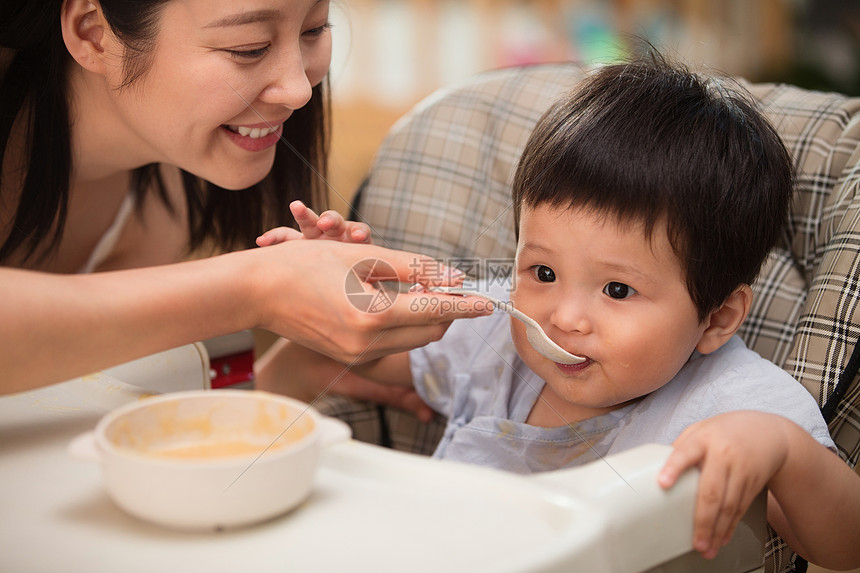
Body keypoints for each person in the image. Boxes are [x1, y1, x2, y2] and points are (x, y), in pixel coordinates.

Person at [274, 53, 860, 568]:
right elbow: (353, 360)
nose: (565, 317)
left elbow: (844, 546)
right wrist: (343, 292)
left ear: (717, 318)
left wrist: (780, 450)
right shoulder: (496, 328)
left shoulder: (734, 406)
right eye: (544, 273)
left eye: (618, 291)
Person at [0, 0, 489, 395]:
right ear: (93, 33)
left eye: (314, 29)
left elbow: (81, 401)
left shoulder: (170, 180)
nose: (299, 90)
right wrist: (258, 289)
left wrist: (285, 381)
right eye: (249, 47)